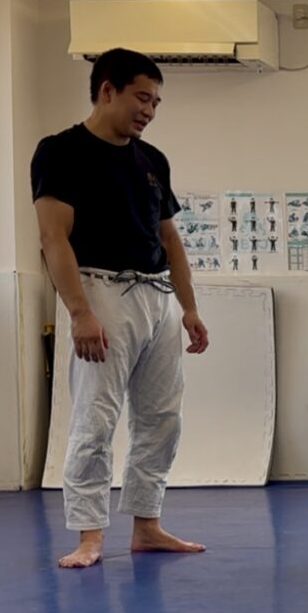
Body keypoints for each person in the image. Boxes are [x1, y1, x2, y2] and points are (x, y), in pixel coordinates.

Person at [31, 48, 209, 569]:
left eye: (156, 103)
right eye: (142, 98)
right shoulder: (60, 151)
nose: (149, 111)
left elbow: (170, 240)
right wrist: (80, 312)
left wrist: (189, 308)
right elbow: (53, 238)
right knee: (96, 417)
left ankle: (147, 526)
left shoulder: (152, 160)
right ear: (107, 90)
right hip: (101, 291)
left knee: (162, 419)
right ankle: (89, 535)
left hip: (157, 296)